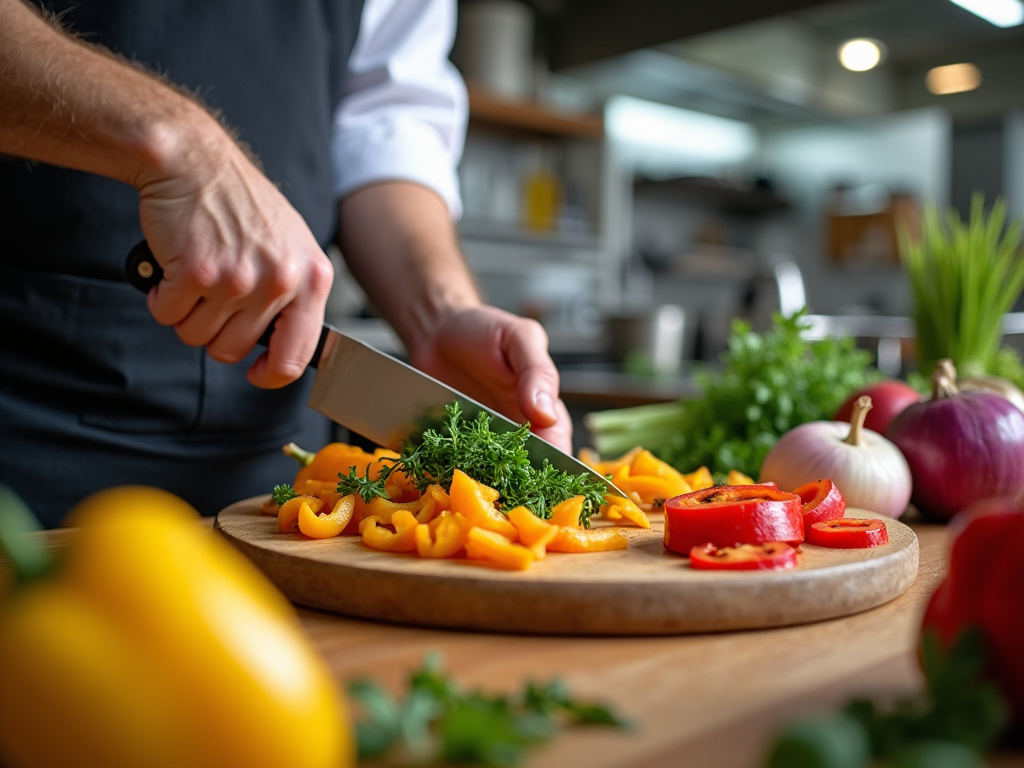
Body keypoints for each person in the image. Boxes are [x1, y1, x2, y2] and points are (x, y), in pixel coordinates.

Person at [0, 0, 572, 527]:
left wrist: (438, 311)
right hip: (32, 441)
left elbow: (384, 123)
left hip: (277, 478)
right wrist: (177, 143)